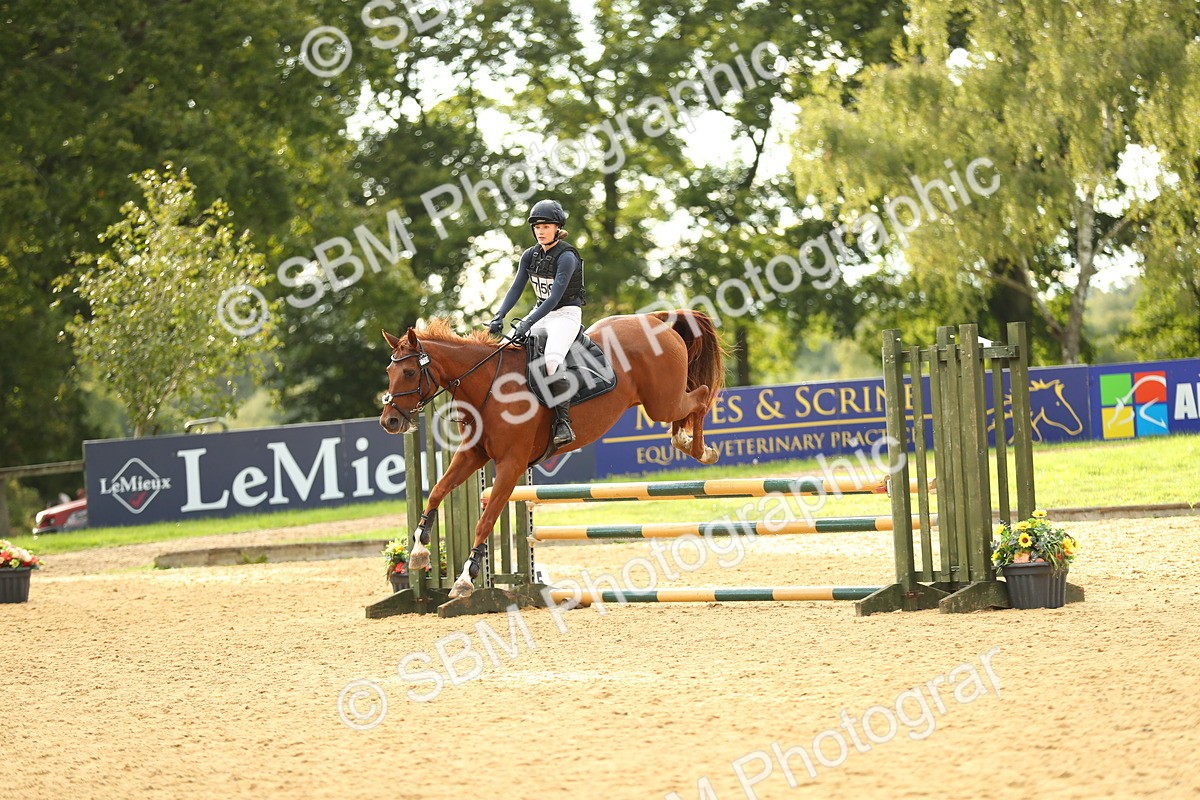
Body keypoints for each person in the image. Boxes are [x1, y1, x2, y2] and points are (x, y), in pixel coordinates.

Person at [488, 199, 586, 446]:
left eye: (546, 226)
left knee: (552, 362)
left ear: (557, 228)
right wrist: (499, 315)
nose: (540, 231)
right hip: (541, 312)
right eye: (537, 227)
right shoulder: (529, 256)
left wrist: (527, 322)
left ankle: (564, 423)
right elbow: (516, 288)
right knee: (507, 352)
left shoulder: (566, 257)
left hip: (565, 314)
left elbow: (553, 299)